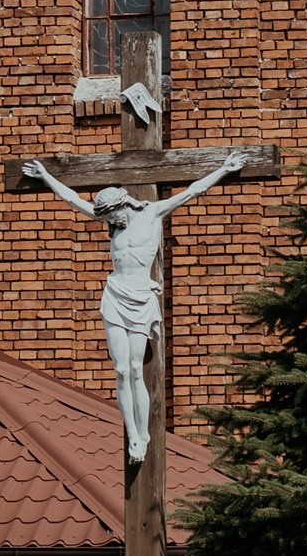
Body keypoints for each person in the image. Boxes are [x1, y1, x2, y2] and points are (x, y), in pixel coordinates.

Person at [20, 149, 246, 460]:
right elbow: (73, 200)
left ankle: (144, 433)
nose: (112, 223)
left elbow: (193, 191)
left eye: (114, 216)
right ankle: (133, 436)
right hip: (115, 294)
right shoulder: (113, 223)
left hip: (141, 297)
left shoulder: (152, 213)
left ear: (124, 205)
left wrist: (223, 169)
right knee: (121, 369)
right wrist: (47, 177)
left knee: (137, 369)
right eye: (109, 218)